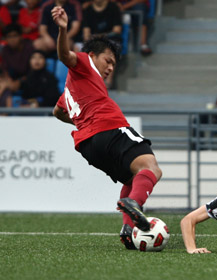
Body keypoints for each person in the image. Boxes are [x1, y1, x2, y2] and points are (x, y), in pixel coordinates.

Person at [51, 6, 162, 250]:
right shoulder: (84, 63)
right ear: (92, 55)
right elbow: (65, 56)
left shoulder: (70, 90)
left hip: (88, 146)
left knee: (134, 177)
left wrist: (81, 123)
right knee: (151, 168)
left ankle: (127, 227)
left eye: (114, 64)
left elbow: (57, 112)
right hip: (110, 128)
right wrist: (62, 29)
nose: (110, 67)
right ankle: (134, 206)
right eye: (107, 60)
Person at [0, 24, 34, 102]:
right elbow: (5, 69)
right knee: (3, 84)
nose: (12, 39)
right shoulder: (5, 50)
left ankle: (6, 112)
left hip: (27, 81)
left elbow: (32, 72)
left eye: (15, 36)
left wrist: (19, 81)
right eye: (9, 36)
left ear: (20, 36)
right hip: (12, 80)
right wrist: (9, 81)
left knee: (4, 86)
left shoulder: (29, 48)